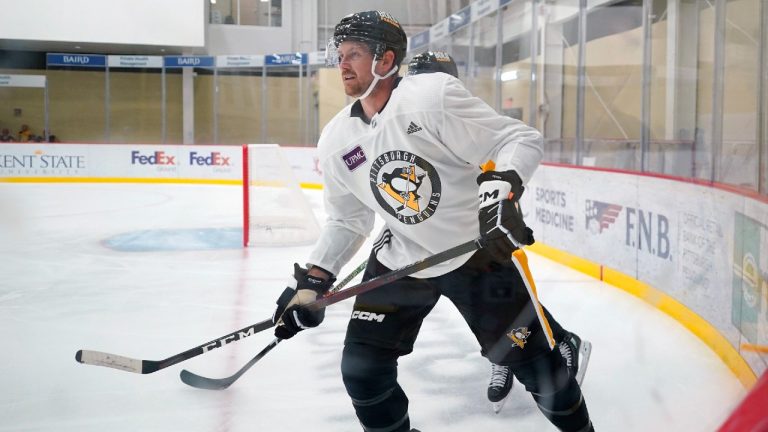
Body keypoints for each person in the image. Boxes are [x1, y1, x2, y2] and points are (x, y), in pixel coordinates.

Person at [272, 11, 593, 432]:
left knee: (542, 373)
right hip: (400, 261)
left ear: (386, 61)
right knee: (362, 372)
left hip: (475, 257)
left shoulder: (432, 97)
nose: (343, 65)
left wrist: (502, 191)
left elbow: (518, 138)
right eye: (340, 55)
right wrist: (314, 279)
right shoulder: (337, 140)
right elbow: (348, 221)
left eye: (354, 54)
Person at [406, 50, 593, 413]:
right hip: (447, 240)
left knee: (504, 305)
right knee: (479, 310)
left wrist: (495, 219)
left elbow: (502, 171)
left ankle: (559, 341)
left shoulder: (463, 117)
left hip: (486, 236)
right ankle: (504, 356)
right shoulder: (409, 124)